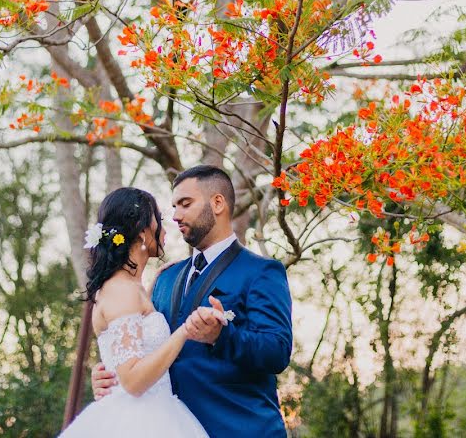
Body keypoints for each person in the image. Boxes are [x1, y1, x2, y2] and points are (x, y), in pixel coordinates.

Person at [91, 165, 294, 438]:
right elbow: (140, 349)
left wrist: (222, 335)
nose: (175, 216)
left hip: (241, 429)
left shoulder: (261, 271)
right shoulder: (165, 278)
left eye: (185, 204)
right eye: (174, 206)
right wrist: (110, 375)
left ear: (218, 203)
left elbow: (277, 351)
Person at [59, 187, 220, 438]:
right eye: (160, 221)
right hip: (138, 422)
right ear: (142, 231)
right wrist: (185, 331)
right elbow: (133, 381)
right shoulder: (121, 291)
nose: (165, 230)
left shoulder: (137, 289)